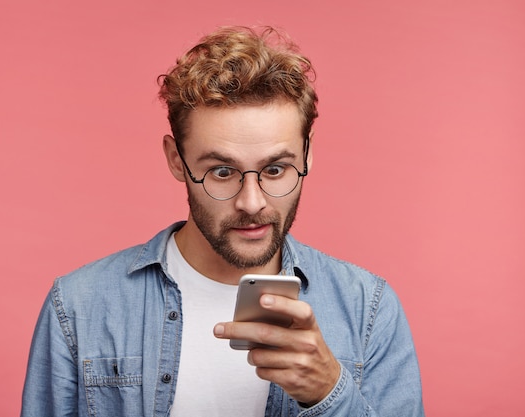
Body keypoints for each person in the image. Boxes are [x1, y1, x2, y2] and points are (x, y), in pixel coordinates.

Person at [21, 26, 424, 416]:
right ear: (176, 160)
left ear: (307, 156)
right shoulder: (77, 306)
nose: (252, 203)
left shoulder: (367, 309)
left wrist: (327, 394)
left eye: (276, 170)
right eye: (222, 172)